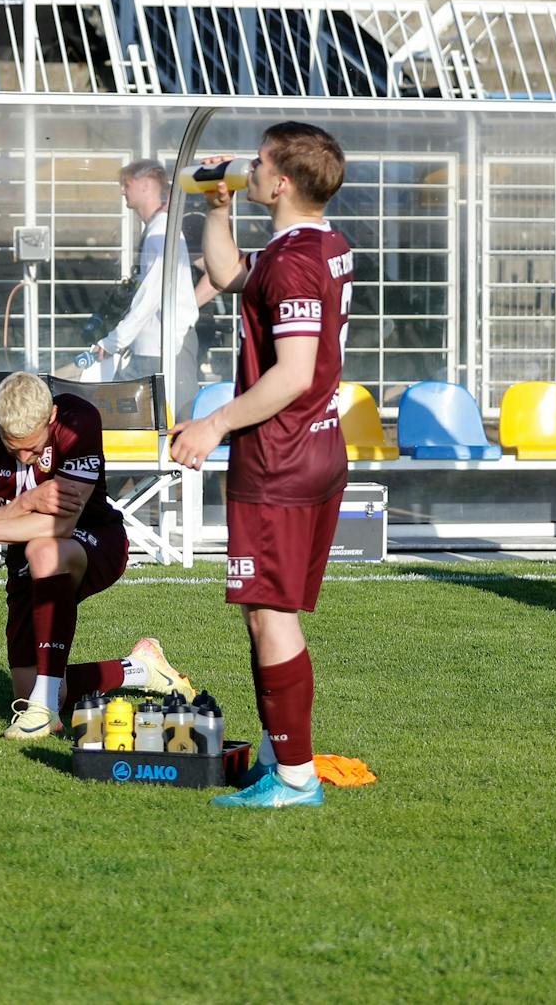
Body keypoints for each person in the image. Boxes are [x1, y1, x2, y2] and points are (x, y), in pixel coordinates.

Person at [170, 121, 354, 811]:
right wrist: (217, 210)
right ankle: (285, 755)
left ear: (280, 182)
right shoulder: (314, 245)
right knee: (269, 612)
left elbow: (295, 372)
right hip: (312, 450)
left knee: (269, 614)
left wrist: (215, 422)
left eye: (258, 161)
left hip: (281, 457)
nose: (248, 167)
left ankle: (297, 776)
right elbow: (230, 276)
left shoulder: (296, 260)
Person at [0, 371, 194, 740]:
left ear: (50, 418)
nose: (26, 457)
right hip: (24, 556)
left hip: (96, 537)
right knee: (24, 691)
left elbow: (56, 527)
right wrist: (26, 503)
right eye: (14, 449)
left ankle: (45, 711)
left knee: (45, 549)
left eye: (33, 448)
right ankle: (141, 669)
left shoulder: (78, 419)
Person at [78, 159, 210, 417]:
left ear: (147, 185)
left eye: (126, 184)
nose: (122, 191)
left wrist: (115, 340)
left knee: (158, 418)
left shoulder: (161, 232)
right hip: (157, 344)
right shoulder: (159, 230)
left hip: (163, 346)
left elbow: (150, 295)